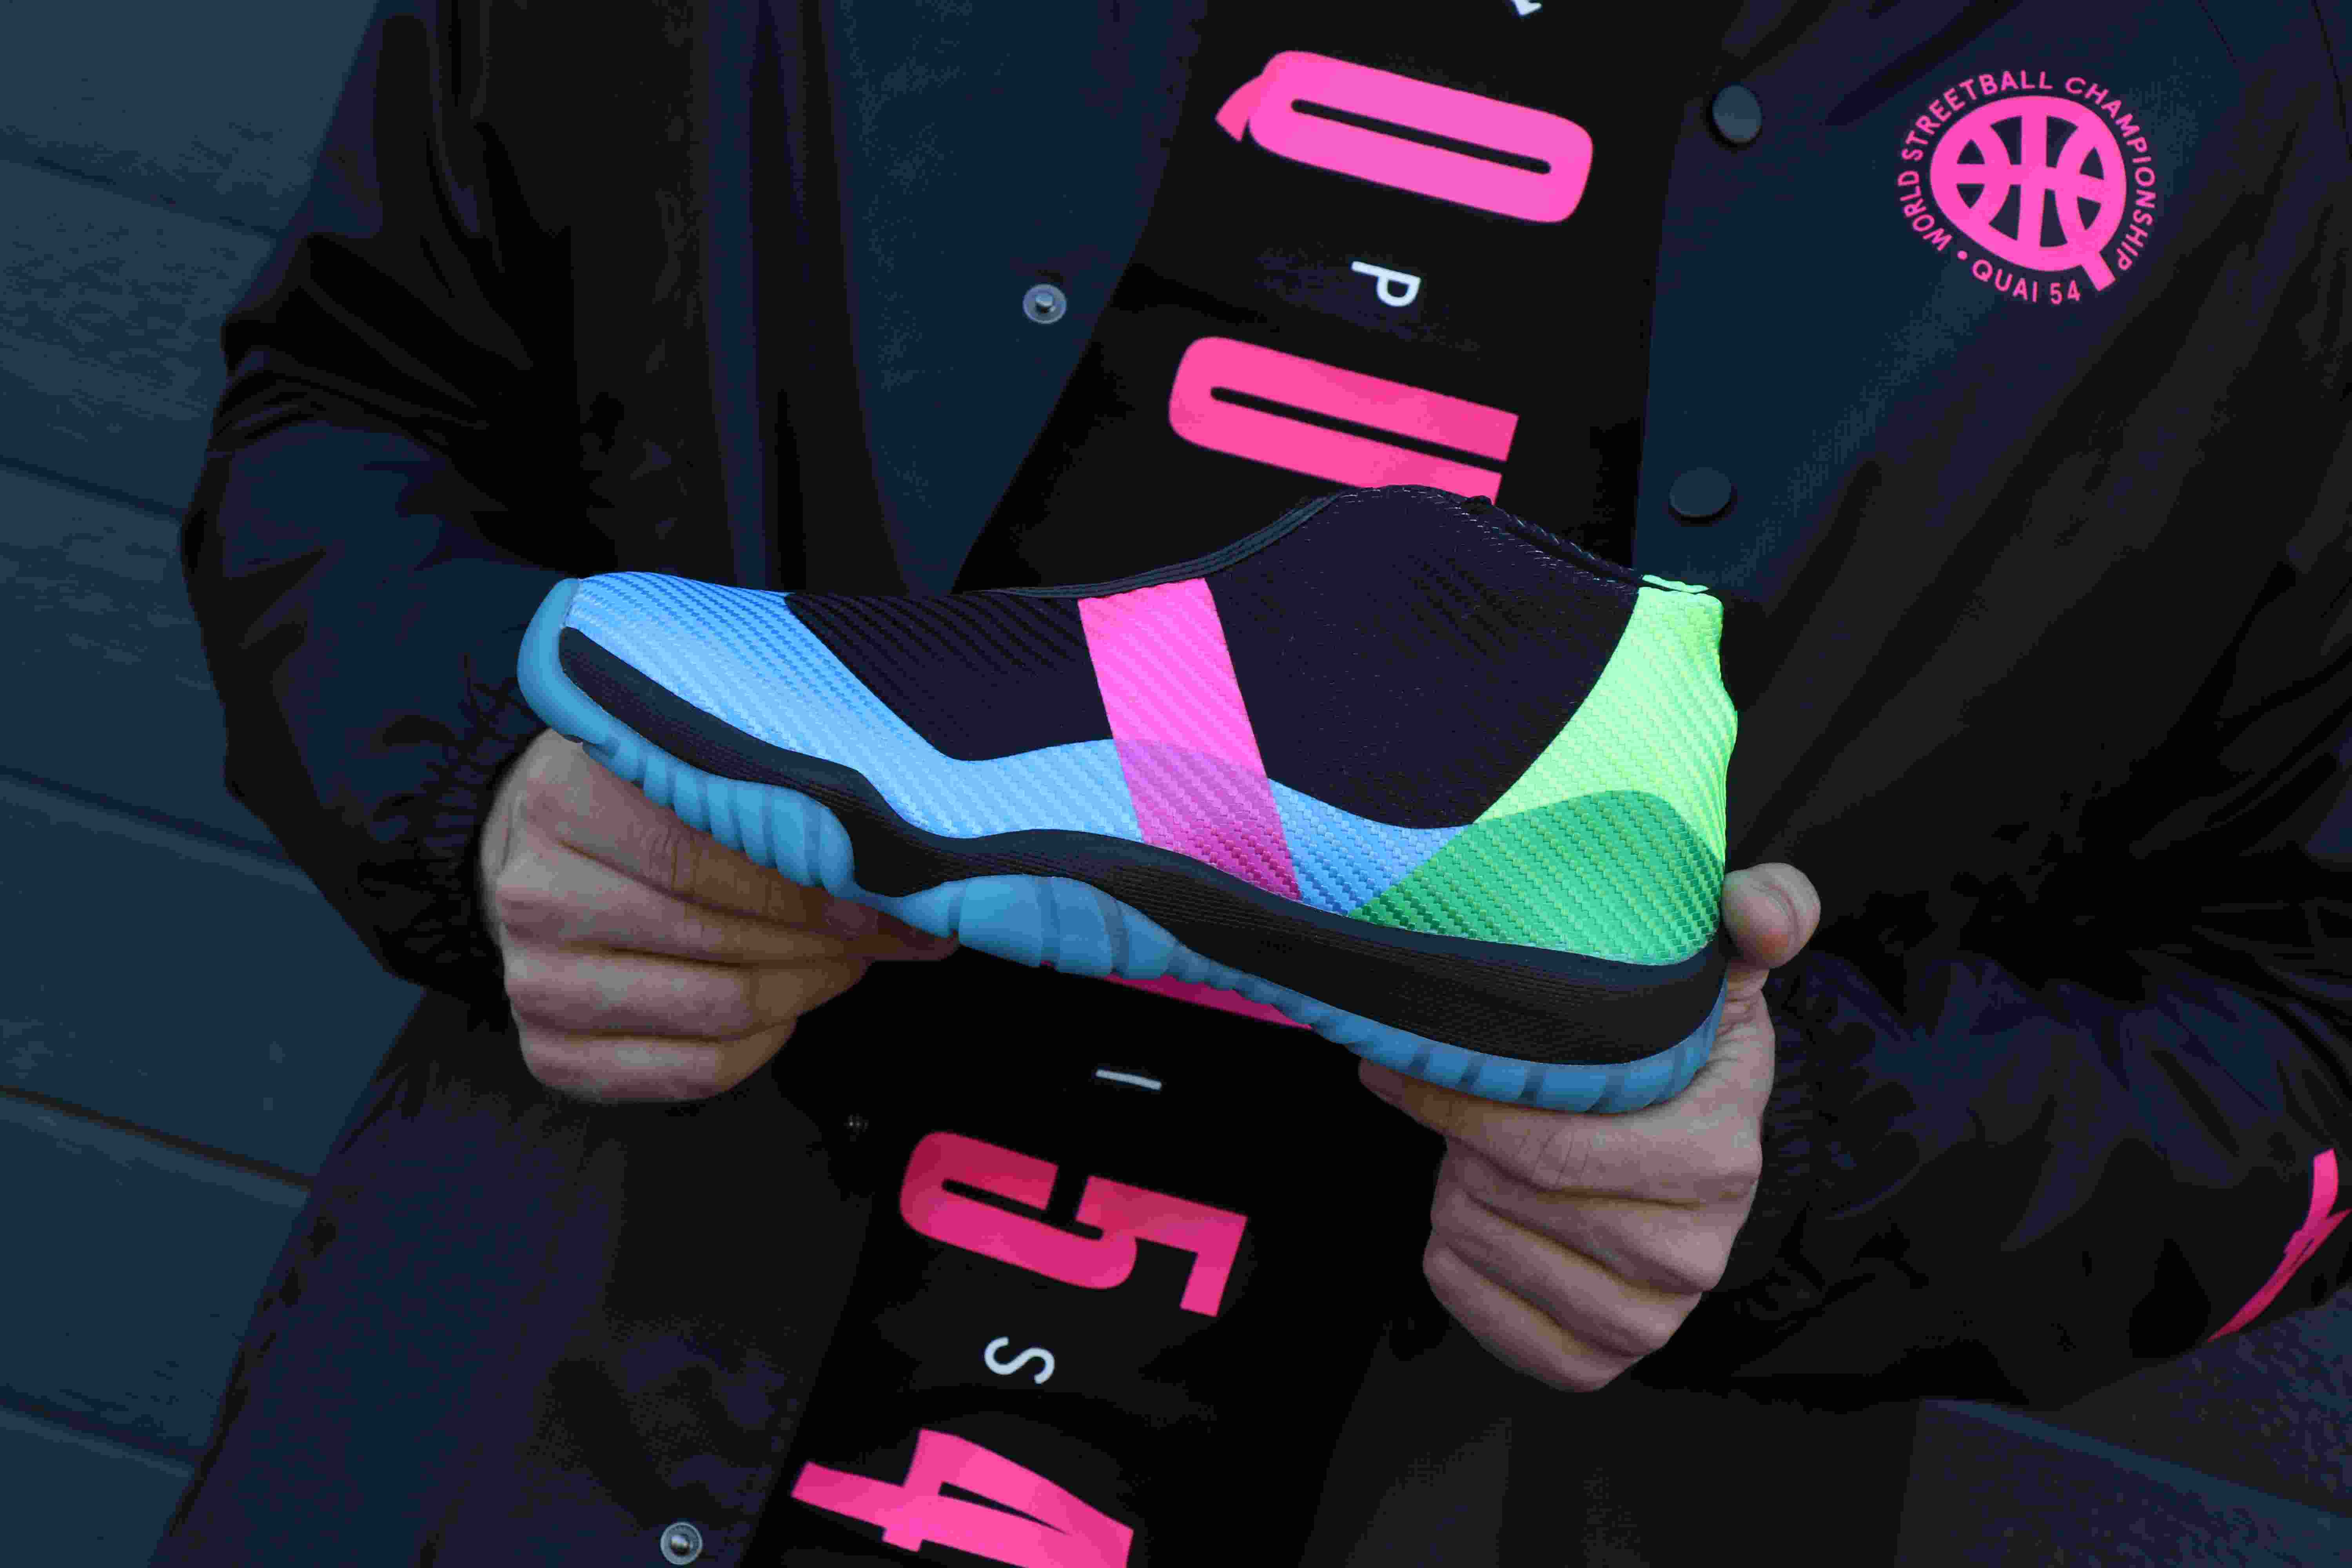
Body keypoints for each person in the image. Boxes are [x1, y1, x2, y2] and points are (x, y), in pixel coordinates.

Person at [156, 1, 2351, 1563]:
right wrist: (486, 791)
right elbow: (352, 399)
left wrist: (1821, 1170)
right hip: (529, 1432)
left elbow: (2314, 1015)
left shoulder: (2269, 79)